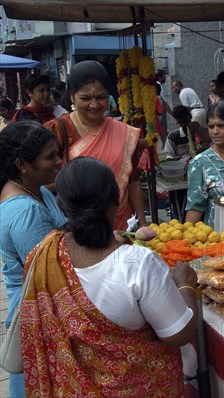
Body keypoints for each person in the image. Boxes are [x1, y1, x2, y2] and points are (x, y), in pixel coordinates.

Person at [20, 156, 199, 396]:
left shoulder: (46, 252)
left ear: (61, 206)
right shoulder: (138, 263)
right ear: (117, 199)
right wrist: (185, 286)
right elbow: (179, 334)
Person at [0, 121, 67, 397]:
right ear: (22, 164)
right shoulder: (26, 211)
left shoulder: (34, 190)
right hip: (38, 311)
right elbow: (47, 274)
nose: (59, 162)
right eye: (50, 156)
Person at [43, 60, 147, 230]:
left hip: (121, 226)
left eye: (101, 97)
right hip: (77, 229)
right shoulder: (58, 130)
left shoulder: (125, 133)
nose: (94, 105)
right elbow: (42, 180)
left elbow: (133, 182)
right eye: (85, 98)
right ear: (71, 97)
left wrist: (142, 224)